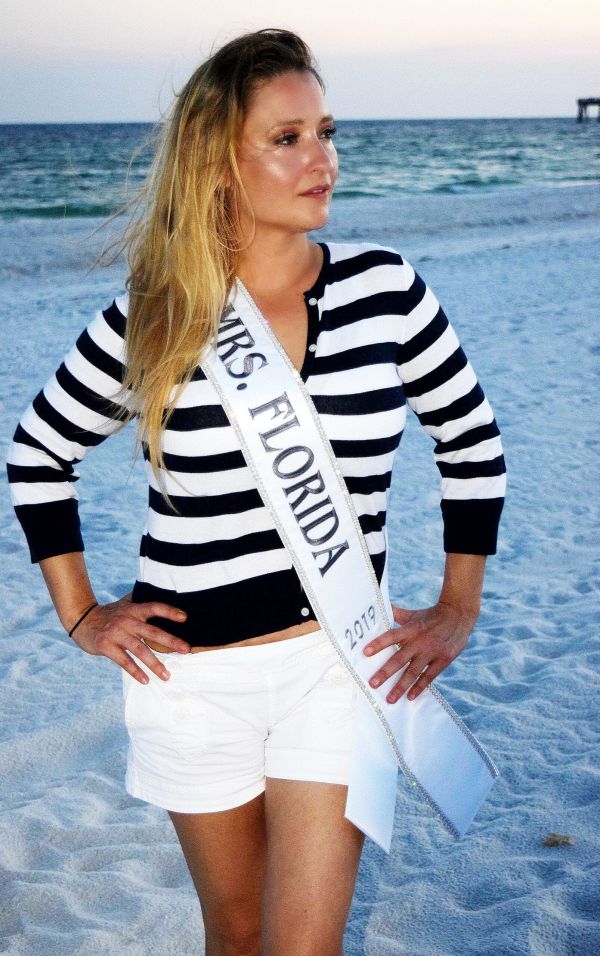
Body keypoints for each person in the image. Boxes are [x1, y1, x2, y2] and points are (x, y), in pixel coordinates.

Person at [7, 28, 506, 956]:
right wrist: (82, 616)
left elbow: (471, 441)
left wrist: (458, 605)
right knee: (235, 935)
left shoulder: (387, 290)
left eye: (326, 131)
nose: (324, 159)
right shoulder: (158, 316)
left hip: (337, 665)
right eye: (287, 138)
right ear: (216, 166)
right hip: (191, 680)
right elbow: (39, 451)